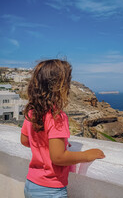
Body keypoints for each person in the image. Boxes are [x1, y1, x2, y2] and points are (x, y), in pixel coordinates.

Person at [21, 59, 105, 198]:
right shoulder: (57, 116)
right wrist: (86, 155)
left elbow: (25, 140)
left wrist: (47, 145)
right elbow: (58, 157)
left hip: (31, 184)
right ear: (60, 87)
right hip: (50, 189)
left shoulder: (32, 111)